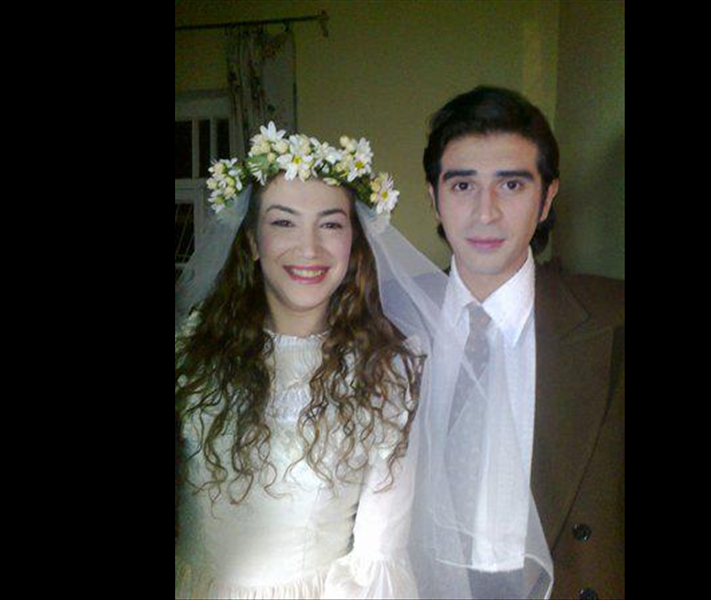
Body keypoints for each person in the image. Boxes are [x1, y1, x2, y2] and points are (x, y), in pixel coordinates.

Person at [175, 124, 424, 599]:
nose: (309, 248)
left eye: (330, 224)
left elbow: (380, 554)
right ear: (252, 242)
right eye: (283, 223)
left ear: (353, 244)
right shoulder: (190, 350)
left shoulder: (386, 373)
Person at [423, 86, 625, 599]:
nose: (485, 212)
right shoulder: (384, 320)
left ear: (547, 198)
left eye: (511, 184)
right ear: (434, 198)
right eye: (463, 185)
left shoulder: (615, 319)